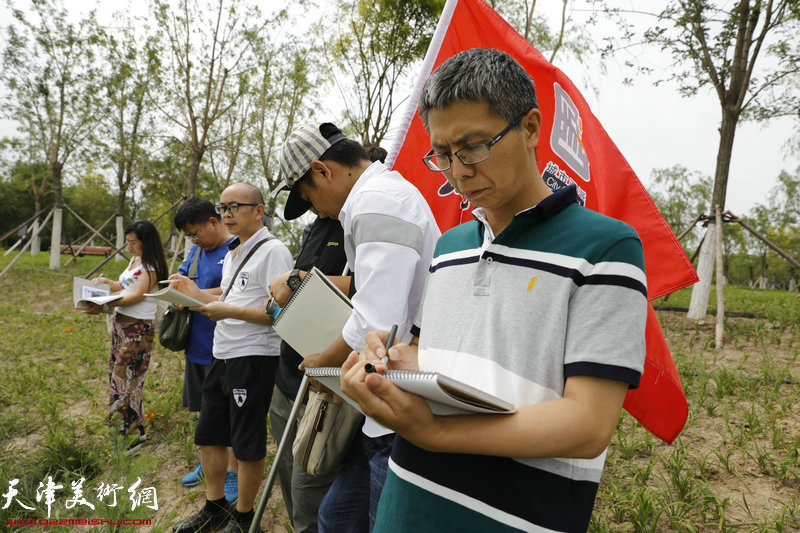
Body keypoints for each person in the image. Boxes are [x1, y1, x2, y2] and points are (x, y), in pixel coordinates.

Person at [340, 48, 648, 532]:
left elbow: (588, 425)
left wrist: (438, 433)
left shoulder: (605, 246)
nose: (459, 172)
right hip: (407, 499)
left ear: (530, 128)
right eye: (442, 154)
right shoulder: (450, 246)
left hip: (516, 515)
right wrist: (388, 359)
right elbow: (428, 353)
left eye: (475, 146)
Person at [269, 125, 440, 532]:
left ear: (322, 170)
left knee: (375, 521)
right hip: (383, 404)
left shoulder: (377, 202)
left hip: (401, 400)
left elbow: (375, 324)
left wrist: (321, 368)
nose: (316, 211)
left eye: (308, 198)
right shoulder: (376, 199)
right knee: (337, 517)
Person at [170, 183, 292, 533]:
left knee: (247, 441)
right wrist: (195, 294)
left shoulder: (274, 251)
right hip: (221, 354)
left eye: (235, 206)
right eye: (223, 207)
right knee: (209, 434)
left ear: (259, 210)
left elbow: (278, 313)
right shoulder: (236, 251)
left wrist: (227, 311)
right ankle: (214, 506)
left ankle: (243, 515)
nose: (226, 213)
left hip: (253, 357)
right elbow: (233, 294)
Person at [172, 197, 239, 503]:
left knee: (231, 416)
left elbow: (236, 291)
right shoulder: (197, 252)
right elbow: (184, 281)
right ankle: (209, 463)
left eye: (196, 233)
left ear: (214, 222)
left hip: (227, 347)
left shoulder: (237, 248)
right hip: (197, 345)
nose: (194, 240)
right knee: (204, 412)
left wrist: (196, 295)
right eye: (189, 236)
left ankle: (233, 474)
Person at [89, 220, 168, 453]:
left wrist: (106, 303)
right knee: (118, 377)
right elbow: (125, 286)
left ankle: (124, 433)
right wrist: (107, 284)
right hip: (122, 325)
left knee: (125, 379)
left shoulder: (152, 265)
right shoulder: (135, 261)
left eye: (133, 242)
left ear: (146, 242)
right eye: (128, 241)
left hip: (138, 328)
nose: (129, 246)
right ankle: (132, 429)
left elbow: (137, 296)